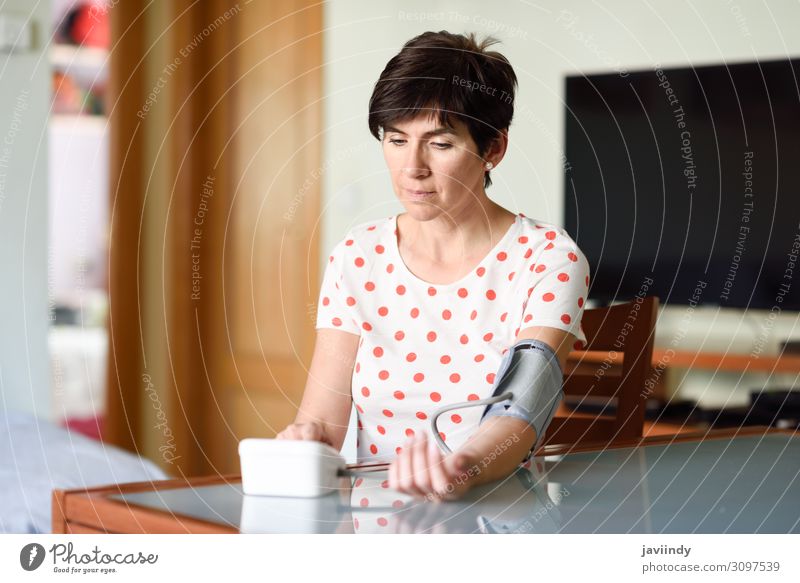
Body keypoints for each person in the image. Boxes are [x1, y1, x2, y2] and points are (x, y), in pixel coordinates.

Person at [277, 30, 590, 502]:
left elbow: (519, 413)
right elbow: (320, 420)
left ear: (494, 150)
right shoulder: (356, 257)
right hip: (373, 519)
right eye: (397, 139)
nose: (412, 167)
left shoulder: (547, 258)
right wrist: (303, 441)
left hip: (495, 512)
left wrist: (458, 467)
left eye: (439, 144)